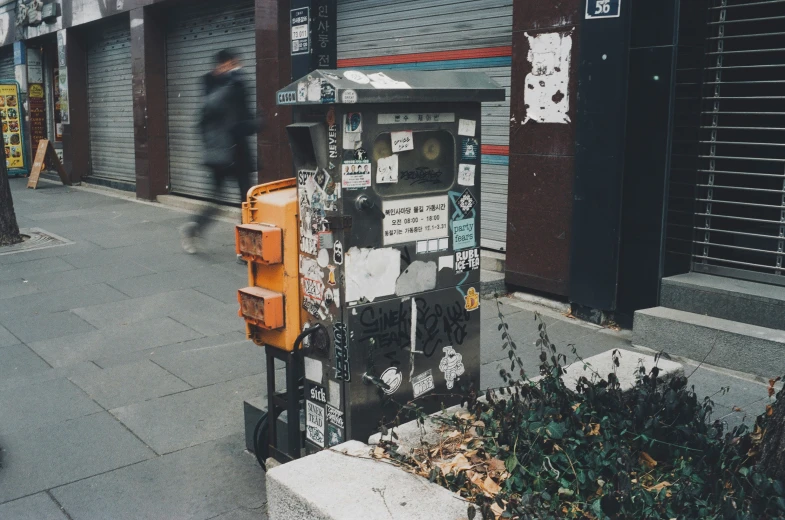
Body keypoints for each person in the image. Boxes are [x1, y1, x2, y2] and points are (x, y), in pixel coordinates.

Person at [181, 49, 259, 254]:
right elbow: (208, 117)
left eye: (237, 64)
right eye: (233, 64)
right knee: (216, 201)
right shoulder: (212, 85)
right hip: (221, 155)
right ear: (222, 65)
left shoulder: (239, 85)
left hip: (240, 152)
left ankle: (247, 247)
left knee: (247, 201)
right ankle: (194, 228)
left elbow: (244, 117)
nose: (237, 68)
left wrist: (256, 123)